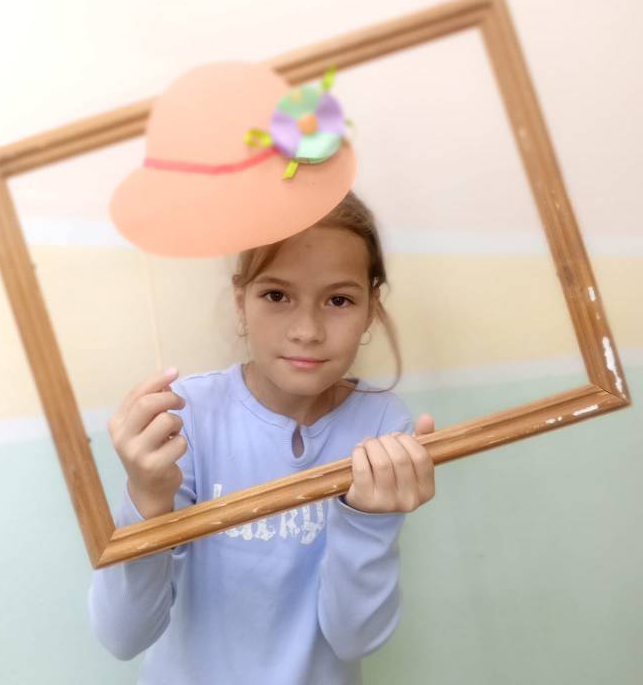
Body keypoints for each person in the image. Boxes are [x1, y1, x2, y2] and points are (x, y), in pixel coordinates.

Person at [87, 186, 436, 685]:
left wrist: (368, 522)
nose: (307, 330)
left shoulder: (382, 424)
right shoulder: (186, 416)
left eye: (338, 300)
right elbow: (122, 635)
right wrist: (145, 498)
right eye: (276, 295)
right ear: (241, 301)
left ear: (370, 308)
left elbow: (356, 639)